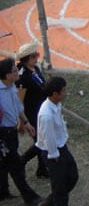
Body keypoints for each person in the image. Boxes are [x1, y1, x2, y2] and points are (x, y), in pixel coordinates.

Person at [0, 58, 41, 205]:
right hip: (3, 134)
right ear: (6, 75)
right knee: (16, 166)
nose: (18, 71)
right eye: (14, 70)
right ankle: (30, 198)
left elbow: (17, 106)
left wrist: (25, 122)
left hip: (11, 132)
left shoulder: (11, 86)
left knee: (4, 165)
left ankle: (2, 192)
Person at [37, 77, 78, 206]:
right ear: (55, 94)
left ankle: (48, 202)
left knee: (72, 177)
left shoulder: (56, 104)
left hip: (62, 147)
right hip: (54, 153)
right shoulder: (46, 115)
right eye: (64, 90)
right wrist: (54, 156)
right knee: (60, 188)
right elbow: (48, 137)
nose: (66, 93)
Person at [15, 43, 47, 180]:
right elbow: (19, 100)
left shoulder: (35, 69)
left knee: (41, 140)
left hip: (41, 110)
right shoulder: (23, 76)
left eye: (37, 55)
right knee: (41, 142)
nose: (37, 58)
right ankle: (22, 161)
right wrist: (22, 122)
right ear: (26, 58)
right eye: (34, 56)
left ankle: (42, 168)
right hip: (32, 113)